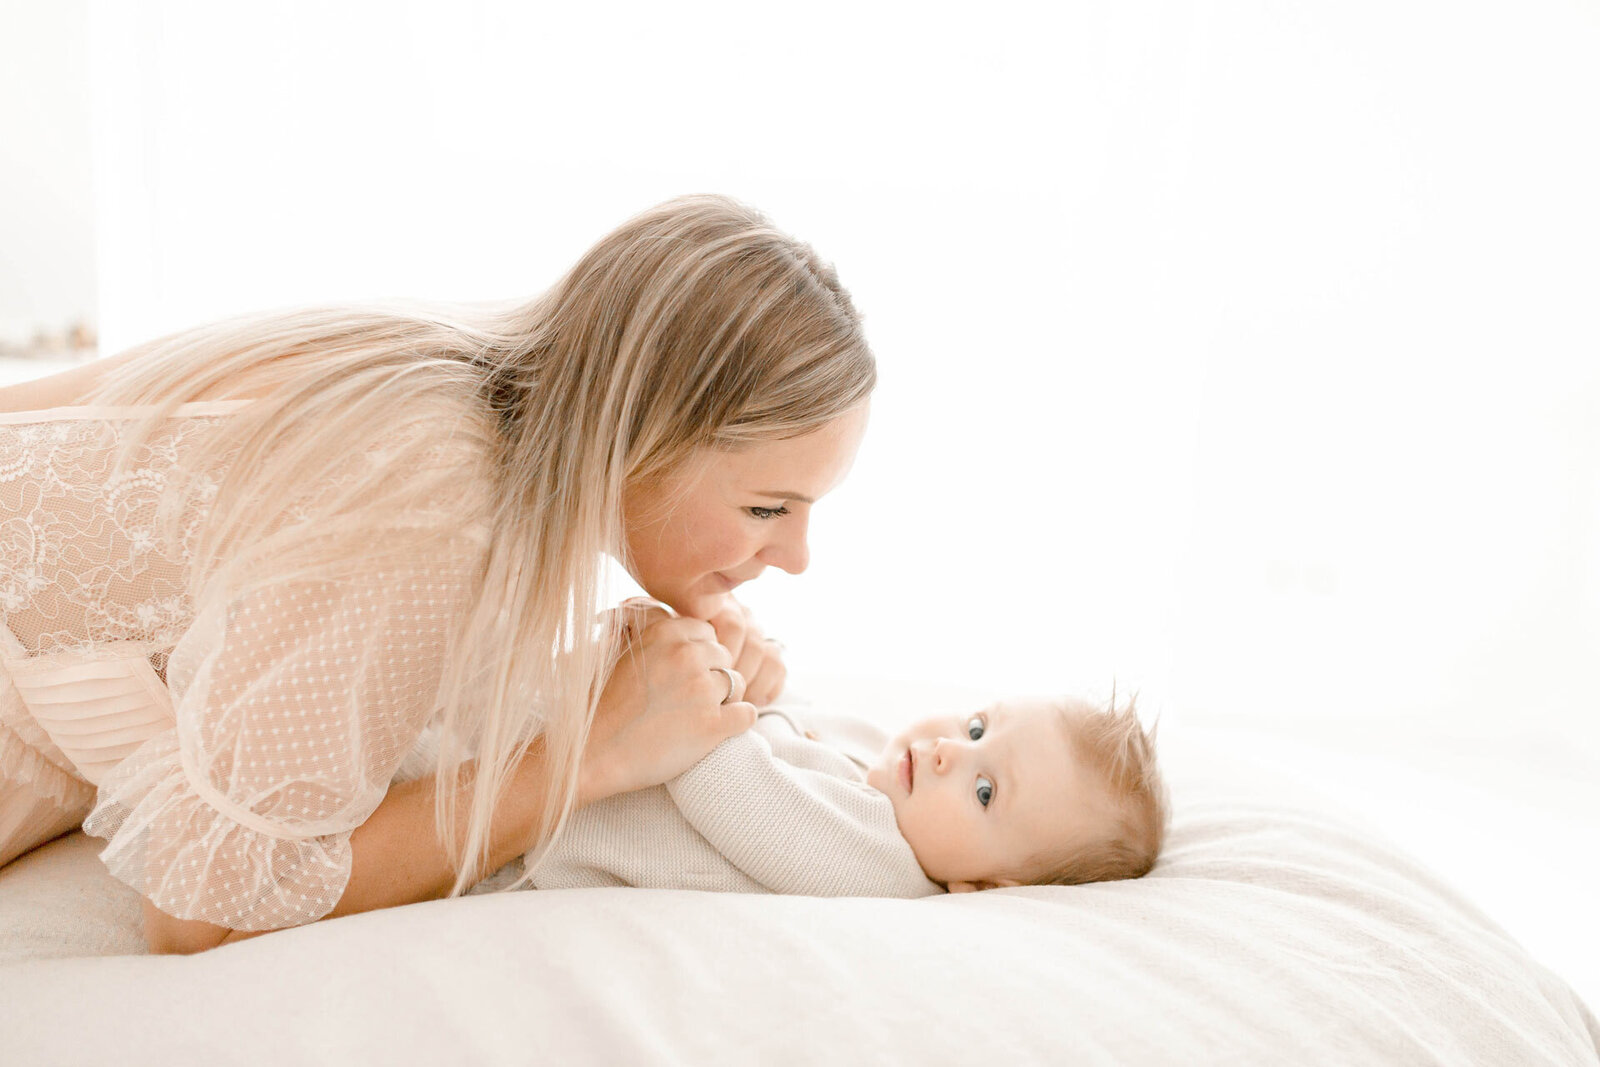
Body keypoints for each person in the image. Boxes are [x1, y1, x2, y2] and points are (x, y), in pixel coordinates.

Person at [0, 195, 872, 952]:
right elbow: (202, 917)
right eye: (767, 508)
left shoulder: (473, 382)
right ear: (641, 433)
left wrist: (630, 676)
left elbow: (372, 676)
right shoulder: (432, 487)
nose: (795, 557)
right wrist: (585, 758)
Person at [460, 655, 1167, 898]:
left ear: (985, 886)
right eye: (978, 726)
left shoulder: (878, 863)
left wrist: (711, 682)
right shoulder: (888, 769)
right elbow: (788, 716)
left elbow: (722, 781)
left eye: (985, 791)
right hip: (544, 753)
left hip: (522, 840)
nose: (951, 748)